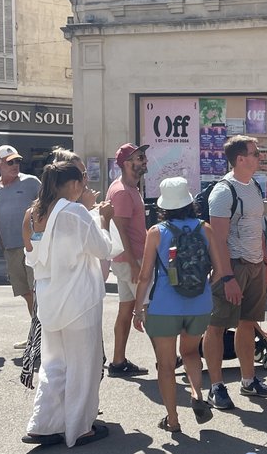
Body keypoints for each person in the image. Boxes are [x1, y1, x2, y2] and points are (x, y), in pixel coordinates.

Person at [22, 160, 112, 448]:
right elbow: (103, 248)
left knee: (54, 364)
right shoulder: (75, 212)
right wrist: (102, 218)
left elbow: (31, 253)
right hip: (79, 300)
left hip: (49, 298)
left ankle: (43, 424)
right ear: (74, 185)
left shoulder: (32, 214)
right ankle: (79, 427)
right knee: (83, 365)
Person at [132, 177, 221, 433]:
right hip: (199, 304)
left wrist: (139, 308)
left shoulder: (157, 232)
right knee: (191, 352)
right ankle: (197, 394)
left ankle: (172, 420)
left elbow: (145, 276)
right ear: (190, 201)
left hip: (163, 307)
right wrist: (203, 289)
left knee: (167, 364)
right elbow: (219, 269)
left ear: (164, 206)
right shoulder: (205, 228)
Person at [204, 135, 267, 409]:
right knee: (217, 325)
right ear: (240, 159)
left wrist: (266, 261)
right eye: (255, 153)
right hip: (232, 266)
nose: (259, 156)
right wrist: (227, 277)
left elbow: (257, 227)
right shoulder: (223, 191)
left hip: (255, 265)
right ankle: (216, 386)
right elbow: (217, 240)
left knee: (247, 323)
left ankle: (249, 381)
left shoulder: (255, 186)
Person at [0, 144, 42, 345]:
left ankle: (43, 336)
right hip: (10, 247)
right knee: (26, 292)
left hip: (34, 246)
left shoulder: (31, 182)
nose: (15, 165)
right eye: (10, 162)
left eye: (17, 161)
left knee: (38, 291)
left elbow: (47, 206)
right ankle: (37, 333)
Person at [107, 143, 150, 377]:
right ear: (126, 163)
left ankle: (118, 361)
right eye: (139, 157)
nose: (144, 160)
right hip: (130, 260)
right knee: (150, 308)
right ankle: (168, 360)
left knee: (126, 309)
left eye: (143, 157)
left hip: (126, 259)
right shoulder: (123, 191)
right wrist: (135, 263)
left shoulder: (130, 188)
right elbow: (121, 228)